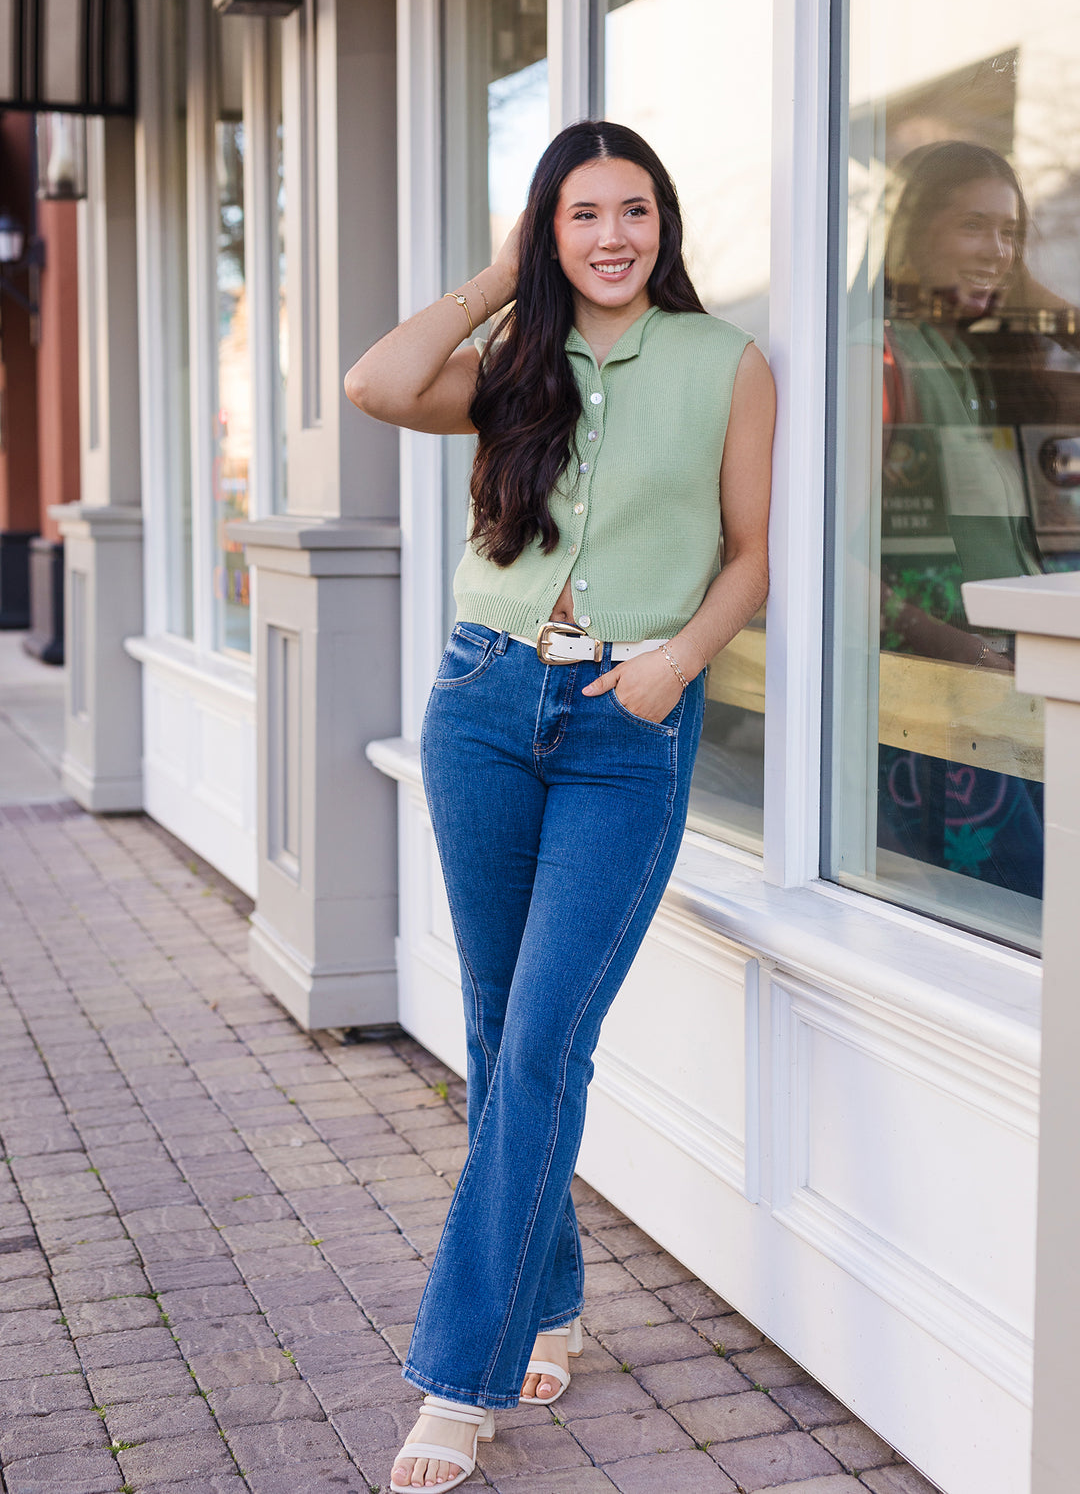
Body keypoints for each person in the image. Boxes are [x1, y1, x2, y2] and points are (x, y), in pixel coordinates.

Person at [345, 120, 775, 1492]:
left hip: (623, 724)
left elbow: (753, 555)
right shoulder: (511, 367)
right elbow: (375, 382)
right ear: (548, 230)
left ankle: (458, 1383)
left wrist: (674, 666)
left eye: (632, 209)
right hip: (482, 703)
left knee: (539, 1040)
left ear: (665, 222)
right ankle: (550, 1299)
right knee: (499, 1031)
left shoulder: (725, 362)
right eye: (580, 214)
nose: (611, 236)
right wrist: (497, 279)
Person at [874, 140, 1057, 896]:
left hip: (1009, 690)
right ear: (915, 234)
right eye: (973, 226)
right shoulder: (883, 358)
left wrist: (1010, 279)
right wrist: (957, 649)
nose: (997, 251)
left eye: (1010, 233)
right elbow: (819, 556)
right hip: (941, 708)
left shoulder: (972, 357)